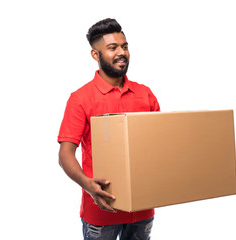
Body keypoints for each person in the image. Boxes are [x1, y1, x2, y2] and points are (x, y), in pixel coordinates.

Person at [58, 18, 160, 240]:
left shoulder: (145, 94)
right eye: (112, 48)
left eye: (124, 46)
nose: (121, 52)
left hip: (143, 208)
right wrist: (88, 186)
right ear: (96, 55)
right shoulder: (81, 99)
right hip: (101, 210)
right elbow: (66, 154)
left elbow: (160, 145)